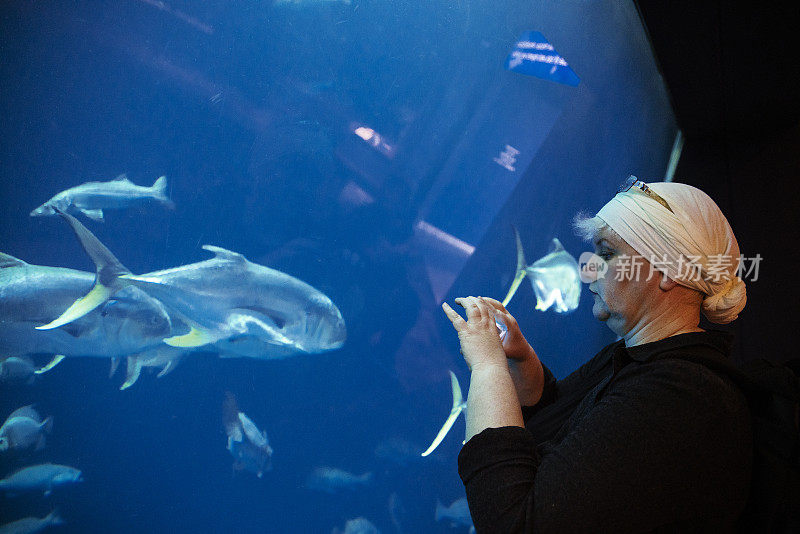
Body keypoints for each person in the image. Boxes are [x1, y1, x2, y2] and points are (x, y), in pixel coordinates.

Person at [442, 179, 752, 533]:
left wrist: (486, 367)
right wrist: (520, 359)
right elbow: (558, 430)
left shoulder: (680, 396)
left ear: (669, 271)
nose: (588, 269)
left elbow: (514, 522)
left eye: (606, 254)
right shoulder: (640, 359)